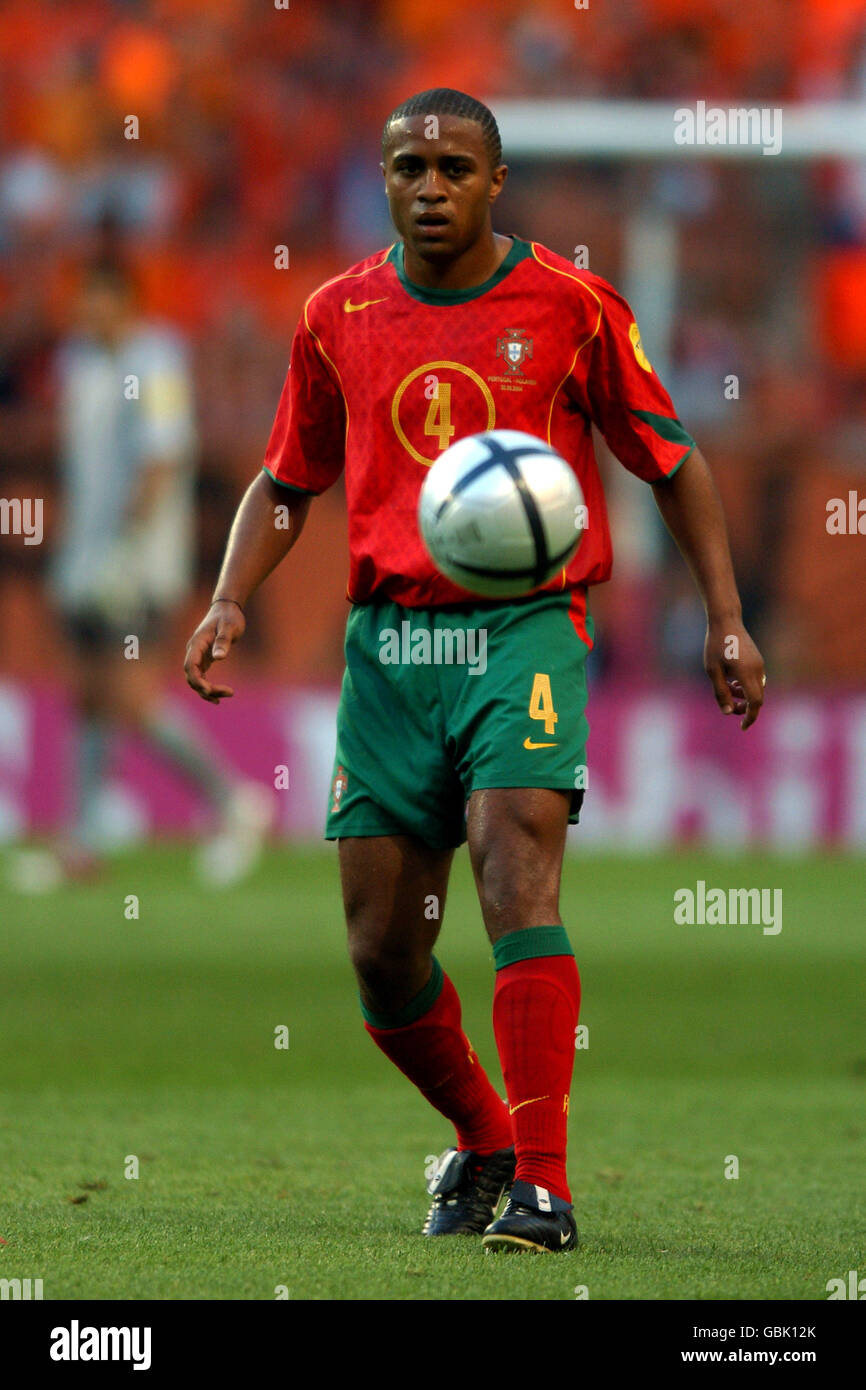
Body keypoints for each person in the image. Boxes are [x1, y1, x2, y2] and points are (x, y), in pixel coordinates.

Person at [184, 89, 765, 1252]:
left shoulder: (570, 303)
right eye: (409, 166)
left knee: (512, 872)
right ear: (384, 181)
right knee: (379, 950)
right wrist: (227, 596)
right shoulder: (334, 312)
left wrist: (726, 616)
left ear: (496, 182)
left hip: (525, 629)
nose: (431, 186)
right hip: (390, 646)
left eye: (454, 166)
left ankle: (542, 1187)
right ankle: (484, 1135)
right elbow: (287, 480)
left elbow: (669, 459)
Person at [40, 261, 270, 888]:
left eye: (95, 299)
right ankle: (80, 844)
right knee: (88, 692)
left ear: (125, 302)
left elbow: (163, 458)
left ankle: (233, 802)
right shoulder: (81, 363)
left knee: (131, 699)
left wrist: (125, 548)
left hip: (137, 562)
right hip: (84, 556)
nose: (85, 311)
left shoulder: (157, 361)